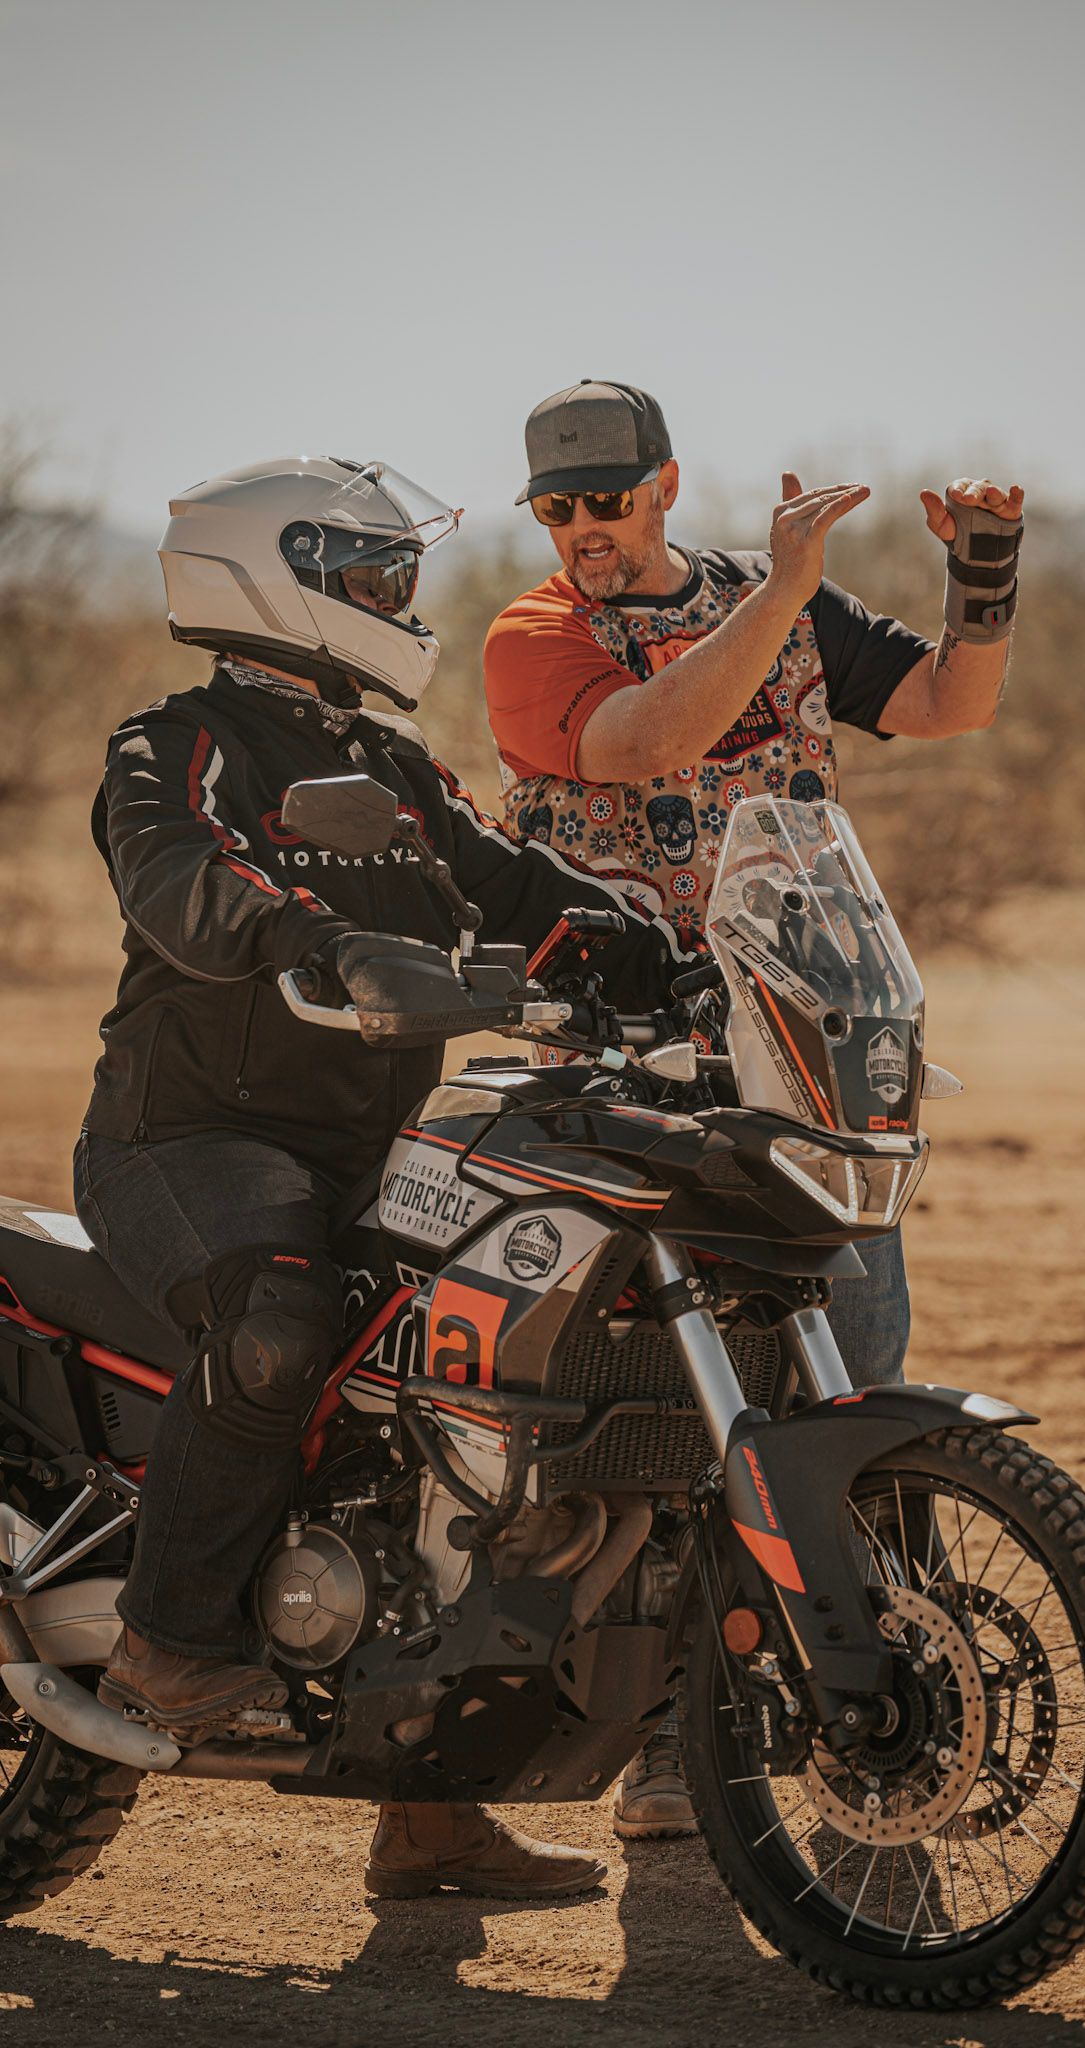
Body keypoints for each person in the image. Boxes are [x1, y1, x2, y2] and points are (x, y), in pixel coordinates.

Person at [77, 455, 682, 1901]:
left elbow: (513, 889)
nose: (393, 597)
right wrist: (311, 937)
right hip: (189, 1147)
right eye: (366, 573)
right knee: (282, 1313)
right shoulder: (179, 741)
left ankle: (430, 1816)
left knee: (486, 1414)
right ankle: (169, 1633)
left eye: (393, 573)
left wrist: (660, 951)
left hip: (373, 1152)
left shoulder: (395, 766)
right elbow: (177, 878)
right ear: (259, 575)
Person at [484, 381, 1023, 1838]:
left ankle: (897, 1721)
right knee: (661, 1420)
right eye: (556, 510)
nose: (584, 532)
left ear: (664, 486)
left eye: (606, 501)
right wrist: (783, 592)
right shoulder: (533, 636)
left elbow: (943, 705)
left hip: (810, 1050)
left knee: (848, 1389)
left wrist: (980, 581)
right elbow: (643, 743)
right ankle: (673, 1744)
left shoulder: (767, 601)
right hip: (622, 1069)